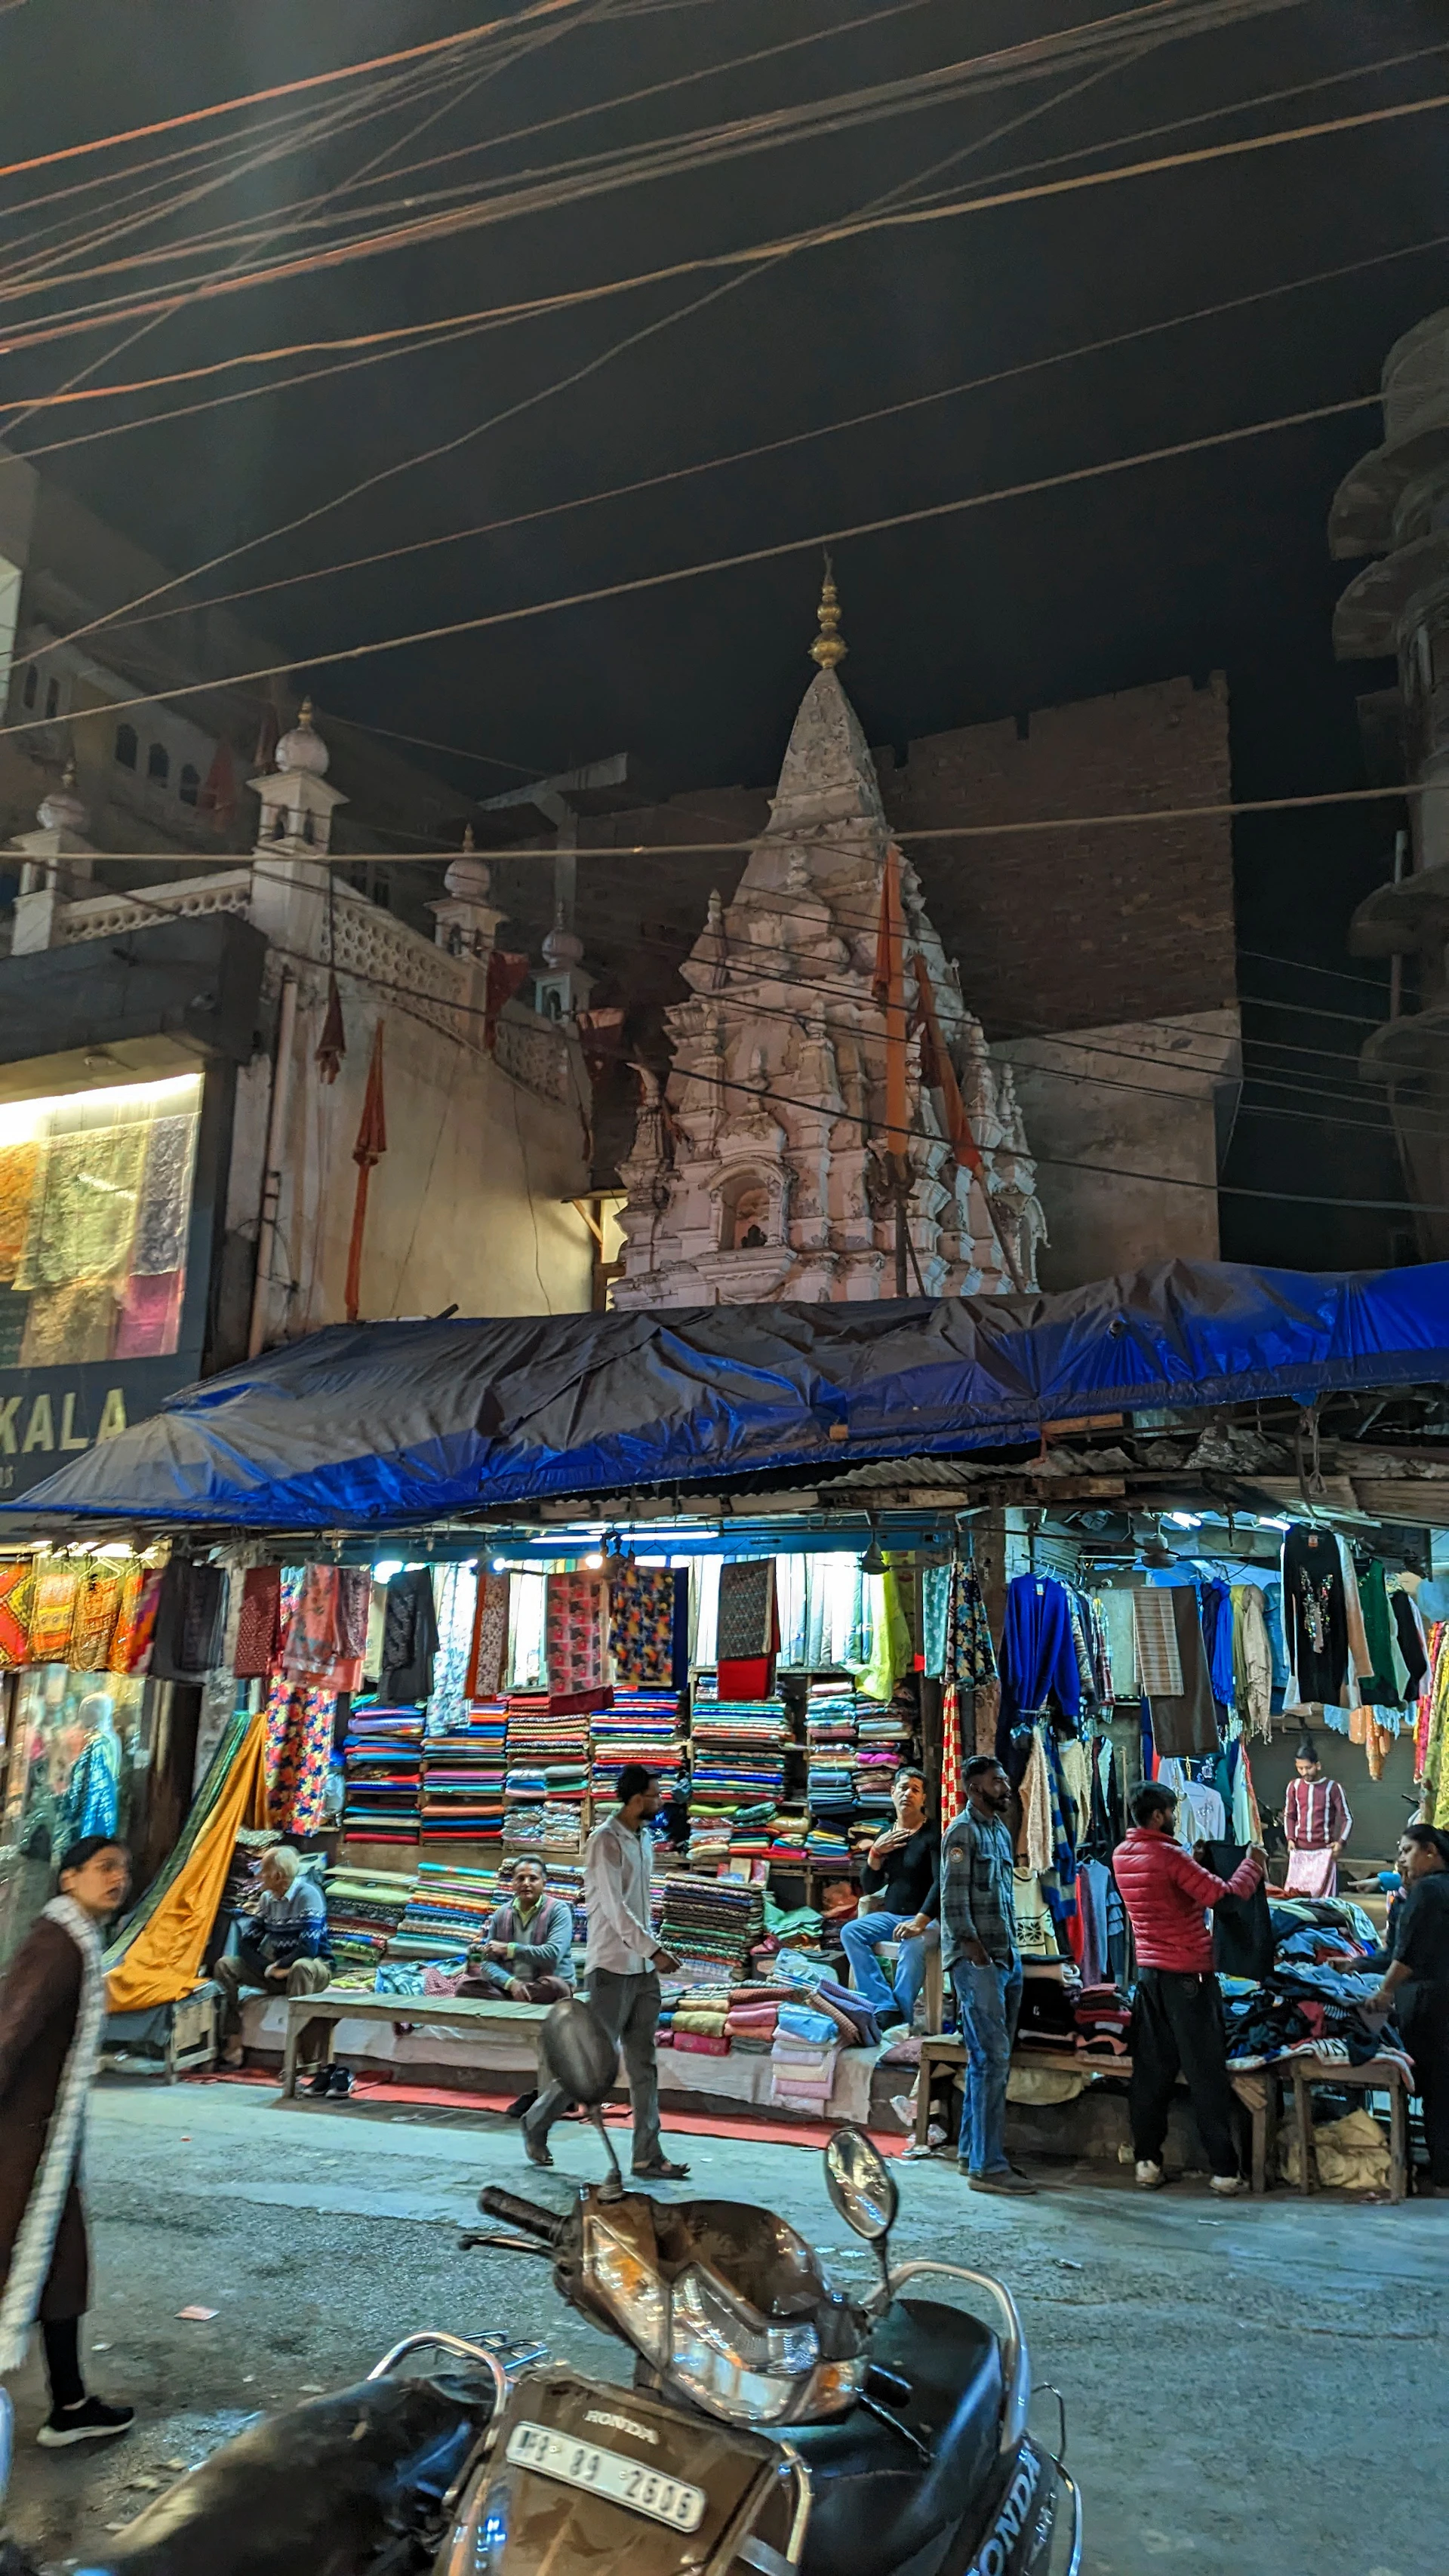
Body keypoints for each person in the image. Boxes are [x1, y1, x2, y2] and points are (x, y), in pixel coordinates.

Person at [0, 1834, 135, 2447]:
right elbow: (11, 2028)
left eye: (122, 1869)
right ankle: (70, 2404)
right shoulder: (57, 1943)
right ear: (68, 1878)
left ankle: (71, 2403)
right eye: (104, 1867)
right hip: (22, 2145)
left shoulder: (76, 1940)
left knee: (61, 2266)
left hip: (47, 2143)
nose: (117, 1878)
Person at [524, 1764, 688, 2181]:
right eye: (654, 1795)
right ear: (635, 1799)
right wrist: (655, 1950)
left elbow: (640, 1906)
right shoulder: (605, 1841)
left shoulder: (643, 1838)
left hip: (642, 1969)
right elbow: (616, 1910)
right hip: (612, 1967)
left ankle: (647, 2154)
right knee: (592, 2065)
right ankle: (537, 2120)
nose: (660, 1801)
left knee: (644, 2063)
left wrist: (650, 1953)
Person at [1113, 1783, 1266, 2196]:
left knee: (1151, 2073)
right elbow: (1225, 1898)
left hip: (1150, 1978)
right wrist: (1252, 1865)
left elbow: (1170, 1897)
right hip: (1189, 1980)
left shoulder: (1123, 1855)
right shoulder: (1169, 1856)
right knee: (1205, 2074)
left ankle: (1147, 2162)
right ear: (1158, 1816)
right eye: (1171, 1811)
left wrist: (1194, 1863)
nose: (1175, 1817)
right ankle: (1224, 2171)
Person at [940, 1755, 1034, 2197]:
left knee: (989, 2059)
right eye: (997, 1781)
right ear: (974, 1787)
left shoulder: (998, 1830)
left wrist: (1009, 1956)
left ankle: (971, 2153)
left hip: (1004, 1955)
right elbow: (953, 1901)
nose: (1006, 1787)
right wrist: (975, 1954)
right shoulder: (962, 1832)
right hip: (979, 1961)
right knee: (990, 2059)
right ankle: (989, 2167)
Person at [1364, 1823, 1449, 2196]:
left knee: (1436, 2090)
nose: (1402, 1859)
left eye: (1407, 1850)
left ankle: (1443, 2175)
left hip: (1432, 2004)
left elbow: (1407, 1955)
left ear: (1430, 1851)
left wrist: (1384, 1992)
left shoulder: (1428, 1891)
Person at [215, 1846, 334, 2091]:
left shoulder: (308, 1894)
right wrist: (269, 1969)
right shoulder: (267, 1899)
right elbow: (246, 1945)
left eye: (264, 1872)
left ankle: (298, 2060)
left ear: (278, 1876)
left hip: (315, 1968)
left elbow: (309, 1949)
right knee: (226, 1965)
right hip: (279, 1971)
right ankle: (232, 2043)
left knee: (301, 1967)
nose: (259, 1877)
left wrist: (280, 1966)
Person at [841, 1766, 940, 2037]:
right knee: (850, 1931)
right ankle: (886, 2005)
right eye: (903, 1788)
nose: (908, 1794)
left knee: (914, 1944)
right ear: (892, 1792)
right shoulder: (887, 1833)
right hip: (892, 1917)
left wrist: (920, 1921)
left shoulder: (933, 1834)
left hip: (928, 1919)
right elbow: (871, 1888)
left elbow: (941, 1883)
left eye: (915, 1790)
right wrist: (875, 1853)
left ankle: (900, 2020)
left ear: (923, 1798)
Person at [458, 1859, 574, 2003]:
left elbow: (553, 1954)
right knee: (465, 1988)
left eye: (533, 1879)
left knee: (555, 1986)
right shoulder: (501, 1914)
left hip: (543, 1986)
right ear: (513, 1883)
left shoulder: (559, 1911)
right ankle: (519, 1999)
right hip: (511, 1988)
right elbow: (487, 1962)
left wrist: (510, 1949)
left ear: (544, 1882)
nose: (526, 1883)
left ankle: (512, 2002)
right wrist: (511, 1983)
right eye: (520, 1879)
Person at [1281, 1733, 1352, 1896]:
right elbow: (1289, 1815)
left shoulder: (1333, 1788)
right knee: (1296, 1898)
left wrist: (1340, 1843)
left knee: (1324, 1900)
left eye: (1308, 1768)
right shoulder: (1294, 1786)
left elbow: (1347, 1818)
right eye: (1300, 1768)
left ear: (1318, 1765)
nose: (1304, 1772)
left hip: (1324, 1853)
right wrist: (1290, 1839)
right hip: (1299, 1852)